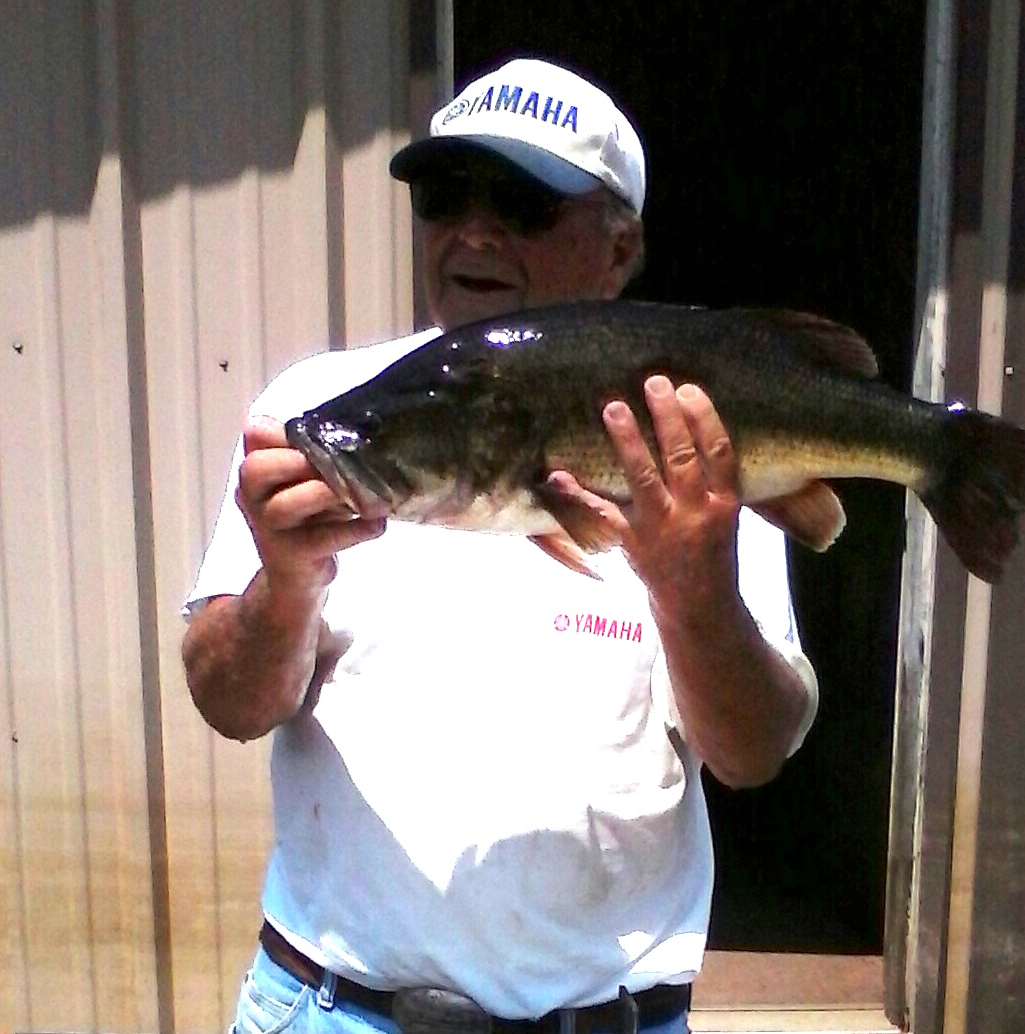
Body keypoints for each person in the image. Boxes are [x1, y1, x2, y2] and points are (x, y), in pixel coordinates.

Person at [182, 56, 818, 1034]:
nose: (473, 232)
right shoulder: (323, 411)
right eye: (445, 196)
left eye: (523, 203)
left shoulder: (691, 439)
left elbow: (752, 749)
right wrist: (288, 579)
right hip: (330, 1007)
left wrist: (692, 590)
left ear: (618, 249)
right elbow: (227, 700)